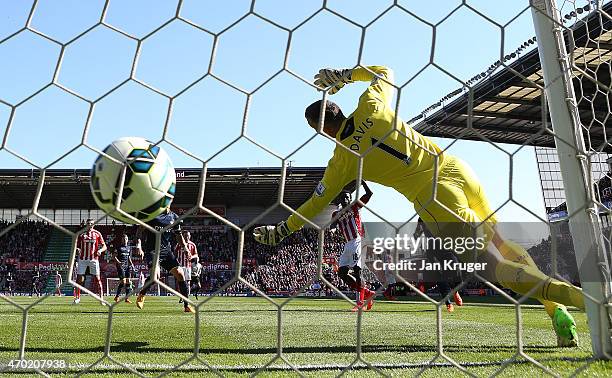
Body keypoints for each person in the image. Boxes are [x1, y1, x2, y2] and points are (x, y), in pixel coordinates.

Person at [253, 65, 583, 347]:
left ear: (321, 130)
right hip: (456, 169)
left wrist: (283, 229)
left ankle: (587, 301)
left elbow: (315, 204)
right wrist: (343, 75)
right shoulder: (371, 103)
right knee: (500, 242)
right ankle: (557, 311)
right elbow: (385, 72)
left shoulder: (342, 161)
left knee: (494, 266)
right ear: (338, 109)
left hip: (436, 200)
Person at [135, 208, 195, 313]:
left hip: (166, 251)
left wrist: (185, 248)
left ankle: (187, 306)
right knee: (155, 276)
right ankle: (142, 294)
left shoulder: (174, 217)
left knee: (180, 274)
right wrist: (139, 245)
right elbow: (140, 229)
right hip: (152, 249)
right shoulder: (152, 215)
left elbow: (178, 235)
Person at [331, 183, 375, 311]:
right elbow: (332, 225)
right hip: (347, 244)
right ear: (339, 200)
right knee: (342, 272)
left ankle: (360, 302)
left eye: (347, 197)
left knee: (357, 270)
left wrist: (363, 183)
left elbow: (369, 194)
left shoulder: (355, 206)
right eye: (343, 197)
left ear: (351, 198)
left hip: (357, 241)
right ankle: (367, 293)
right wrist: (332, 226)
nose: (345, 199)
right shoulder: (336, 213)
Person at [414, 218, 463, 312]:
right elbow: (417, 233)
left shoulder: (441, 213)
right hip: (432, 251)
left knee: (457, 270)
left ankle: (455, 292)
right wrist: (417, 235)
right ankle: (448, 303)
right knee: (439, 276)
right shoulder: (422, 218)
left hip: (446, 247)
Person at [74, 219, 107, 304]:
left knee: (97, 279)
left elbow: (104, 246)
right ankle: (77, 298)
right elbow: (76, 245)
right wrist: (77, 249)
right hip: (82, 259)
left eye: (91, 224)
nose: (90, 225)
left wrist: (100, 250)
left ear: (94, 225)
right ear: (86, 224)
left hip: (93, 259)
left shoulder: (97, 234)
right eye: (88, 223)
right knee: (79, 279)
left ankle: (101, 299)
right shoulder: (81, 234)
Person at [113, 233, 138, 304]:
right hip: (120, 266)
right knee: (123, 281)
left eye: (126, 239)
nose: (125, 240)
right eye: (123, 239)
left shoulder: (128, 248)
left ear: (127, 240)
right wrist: (119, 262)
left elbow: (128, 257)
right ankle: (117, 296)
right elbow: (114, 256)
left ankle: (127, 298)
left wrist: (132, 265)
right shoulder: (118, 247)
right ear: (122, 240)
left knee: (128, 282)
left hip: (127, 266)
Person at [174, 230, 198, 303]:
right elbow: (174, 253)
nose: (186, 237)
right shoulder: (179, 244)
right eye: (185, 236)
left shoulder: (192, 245)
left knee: (188, 282)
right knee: (180, 282)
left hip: (188, 266)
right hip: (180, 266)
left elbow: (196, 254)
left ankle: (186, 297)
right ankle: (182, 296)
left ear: (190, 236)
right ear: (183, 236)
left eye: (188, 235)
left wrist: (192, 256)